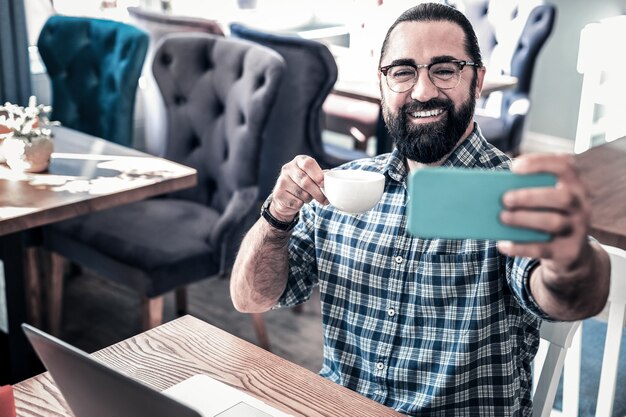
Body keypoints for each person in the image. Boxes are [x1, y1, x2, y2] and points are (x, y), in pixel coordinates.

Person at [230, 3, 611, 415]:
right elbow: (250, 297)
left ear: (477, 81)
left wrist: (569, 261)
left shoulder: (510, 194)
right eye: (402, 71)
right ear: (382, 84)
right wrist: (277, 215)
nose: (423, 91)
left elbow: (571, 298)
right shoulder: (342, 188)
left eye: (444, 70)